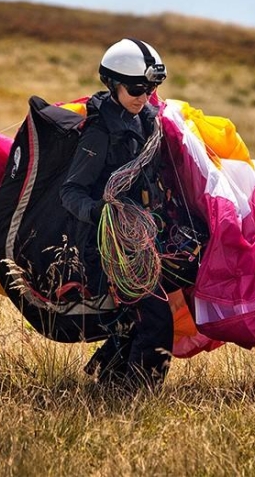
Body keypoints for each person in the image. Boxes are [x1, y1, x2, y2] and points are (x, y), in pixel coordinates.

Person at [60, 37, 173, 390]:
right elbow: (70, 192)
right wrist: (102, 214)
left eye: (150, 88)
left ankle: (108, 381)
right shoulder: (99, 134)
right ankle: (138, 394)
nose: (144, 96)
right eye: (136, 89)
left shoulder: (148, 122)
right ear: (113, 84)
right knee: (155, 318)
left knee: (133, 319)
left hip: (142, 237)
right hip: (107, 243)